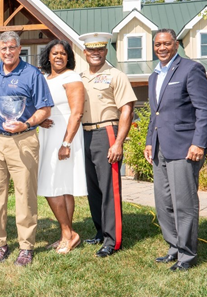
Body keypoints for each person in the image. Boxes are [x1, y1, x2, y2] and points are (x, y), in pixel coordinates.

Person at [144, 29, 207, 271]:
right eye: (157, 44)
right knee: (163, 202)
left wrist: (199, 143)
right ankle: (173, 246)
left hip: (185, 147)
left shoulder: (190, 69)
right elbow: (156, 113)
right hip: (160, 147)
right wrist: (149, 141)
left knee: (184, 203)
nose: (161, 48)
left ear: (176, 44)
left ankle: (187, 254)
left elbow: (204, 109)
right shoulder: (154, 75)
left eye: (166, 43)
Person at [0, 31, 53, 266]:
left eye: (12, 47)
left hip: (22, 139)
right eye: (3, 48)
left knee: (25, 193)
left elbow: (45, 110)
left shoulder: (32, 74)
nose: (7, 52)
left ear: (19, 48)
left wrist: (26, 123)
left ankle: (26, 247)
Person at [79, 32, 136, 258]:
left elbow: (127, 110)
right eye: (91, 49)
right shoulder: (79, 76)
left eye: (100, 49)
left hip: (107, 132)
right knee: (93, 188)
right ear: (85, 53)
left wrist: (119, 142)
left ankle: (113, 240)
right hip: (85, 134)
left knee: (109, 188)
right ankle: (101, 231)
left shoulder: (116, 75)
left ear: (105, 51)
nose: (95, 53)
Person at [37, 39, 87, 254]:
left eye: (63, 53)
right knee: (61, 187)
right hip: (48, 133)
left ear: (69, 57)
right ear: (48, 56)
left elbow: (76, 112)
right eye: (54, 53)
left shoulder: (72, 77)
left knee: (52, 185)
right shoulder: (44, 79)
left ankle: (69, 234)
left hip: (65, 134)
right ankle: (66, 234)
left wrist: (66, 143)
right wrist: (39, 120)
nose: (58, 56)